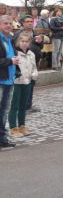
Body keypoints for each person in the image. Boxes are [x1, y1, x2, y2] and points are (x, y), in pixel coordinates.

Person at [8, 32, 38, 138]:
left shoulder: (31, 54)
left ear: (29, 43)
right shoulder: (15, 53)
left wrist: (34, 75)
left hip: (27, 82)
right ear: (18, 42)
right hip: (17, 83)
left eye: (26, 41)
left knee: (23, 106)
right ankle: (13, 127)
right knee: (14, 105)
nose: (24, 43)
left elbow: (34, 67)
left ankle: (22, 125)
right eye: (22, 41)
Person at [13, 15, 44, 112]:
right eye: (27, 21)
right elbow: (15, 46)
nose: (30, 23)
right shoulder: (18, 34)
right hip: (22, 63)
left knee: (31, 84)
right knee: (23, 85)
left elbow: (40, 47)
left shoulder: (35, 33)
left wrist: (40, 43)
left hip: (33, 63)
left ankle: (28, 105)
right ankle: (21, 106)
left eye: (31, 21)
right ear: (23, 23)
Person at [0, 15, 20, 148]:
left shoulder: (10, 39)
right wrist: (10, 61)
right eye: (5, 23)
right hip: (1, 81)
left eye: (10, 23)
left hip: (9, 80)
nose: (8, 25)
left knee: (4, 111)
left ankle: (2, 139)